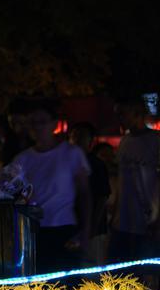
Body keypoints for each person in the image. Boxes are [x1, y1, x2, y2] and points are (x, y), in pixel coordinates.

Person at [11, 99, 91, 273]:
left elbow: (84, 194)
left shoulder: (71, 153)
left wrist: (85, 231)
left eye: (42, 122)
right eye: (32, 122)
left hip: (64, 227)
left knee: (67, 286)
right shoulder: (22, 159)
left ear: (54, 123)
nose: (37, 127)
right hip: (32, 231)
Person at [110, 99, 159, 266]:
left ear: (137, 113)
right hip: (123, 219)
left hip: (148, 220)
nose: (121, 119)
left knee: (145, 270)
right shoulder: (125, 141)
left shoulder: (155, 141)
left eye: (124, 114)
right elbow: (120, 180)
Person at [68, 122, 111, 264]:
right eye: (74, 136)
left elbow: (102, 197)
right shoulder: (67, 163)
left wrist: (92, 228)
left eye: (81, 136)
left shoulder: (96, 164)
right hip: (72, 226)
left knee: (91, 271)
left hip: (94, 230)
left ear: (91, 141)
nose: (76, 140)